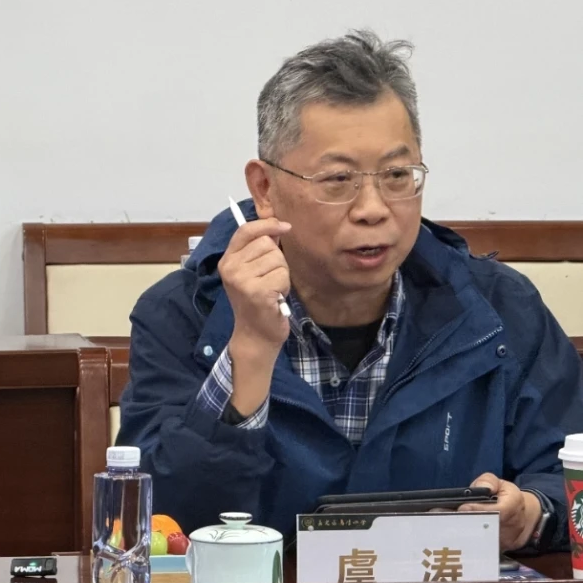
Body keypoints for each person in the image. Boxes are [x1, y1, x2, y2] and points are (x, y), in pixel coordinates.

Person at [116, 29, 583, 553]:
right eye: (338, 181)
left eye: (397, 174)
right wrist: (249, 349)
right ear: (265, 189)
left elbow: (568, 475)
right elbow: (159, 527)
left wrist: (533, 513)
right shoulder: (182, 315)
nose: (373, 208)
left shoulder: (498, 310)